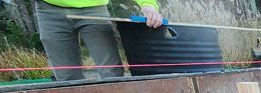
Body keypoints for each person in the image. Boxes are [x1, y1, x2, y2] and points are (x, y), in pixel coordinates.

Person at [34, 0, 164, 81]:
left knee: (111, 72)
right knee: (66, 77)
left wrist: (148, 4)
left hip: (94, 9)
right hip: (48, 10)